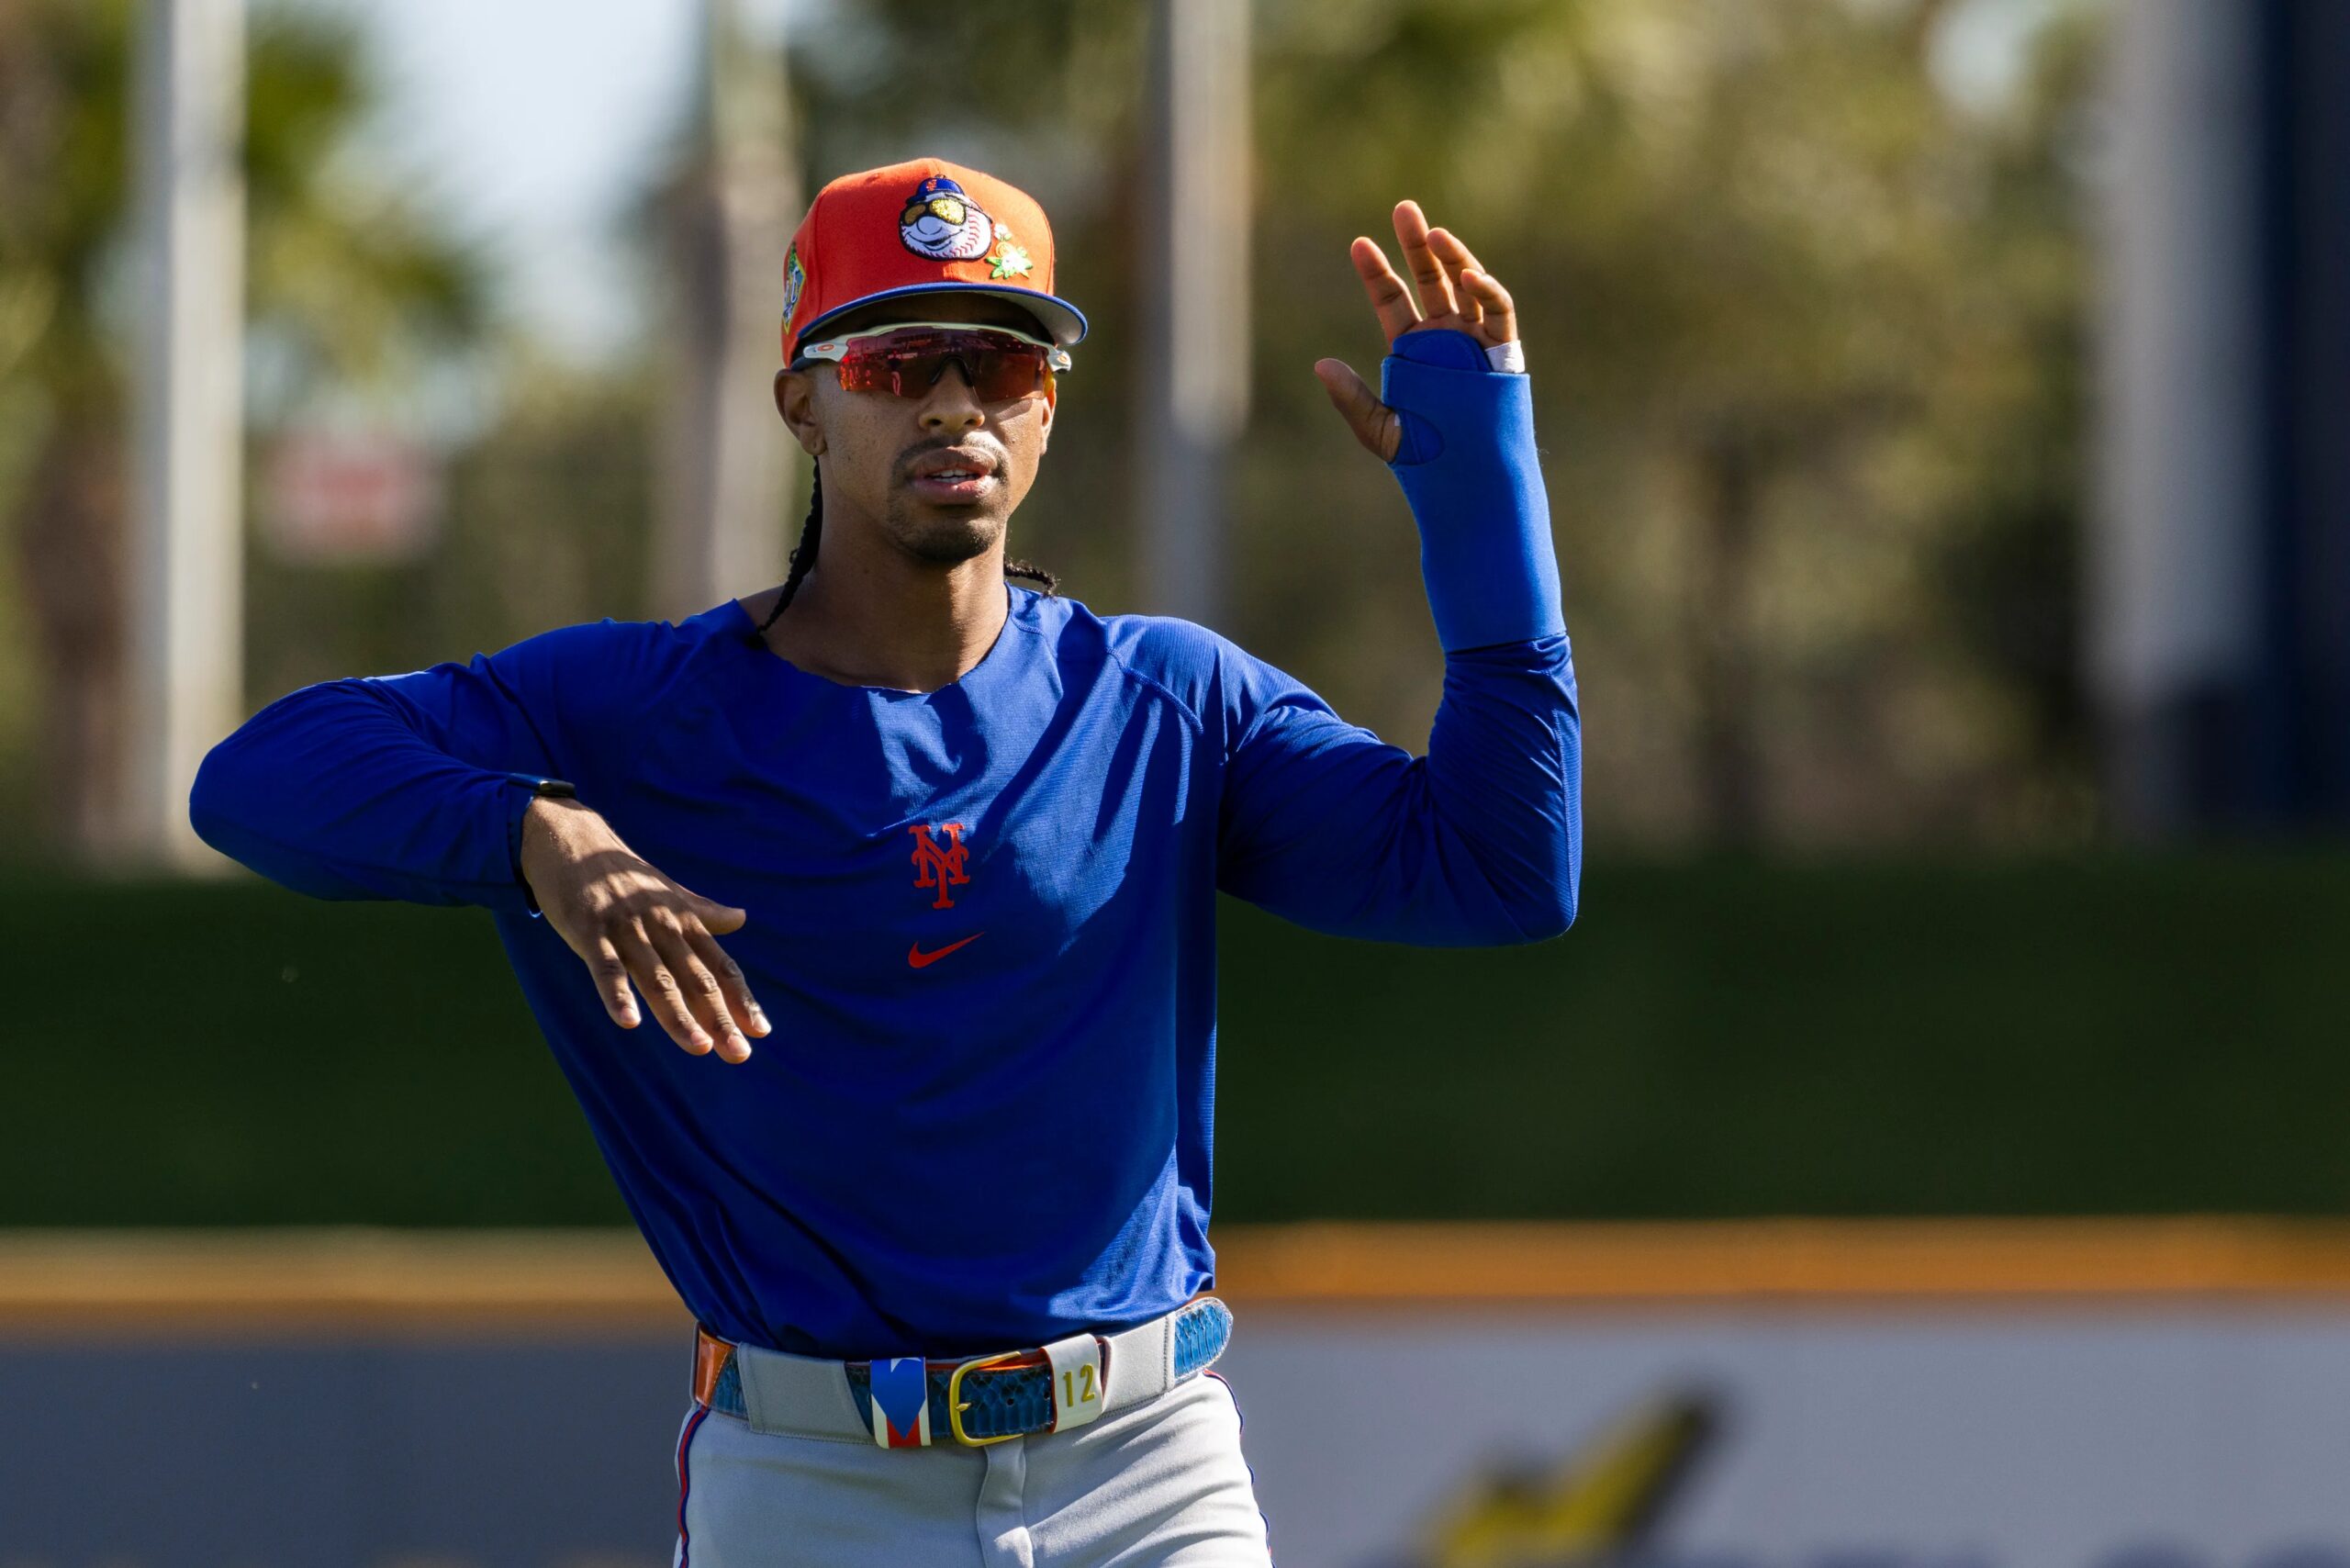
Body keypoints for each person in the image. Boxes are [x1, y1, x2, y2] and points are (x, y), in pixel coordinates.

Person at [188, 156, 1581, 1567]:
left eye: (1003, 363)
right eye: (899, 362)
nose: (956, 403)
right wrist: (534, 829)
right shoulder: (635, 713)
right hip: (812, 1484)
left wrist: (1481, 494)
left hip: (1145, 1471)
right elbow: (251, 781)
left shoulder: (1169, 698)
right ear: (803, 403)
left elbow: (1501, 872)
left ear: (1047, 408)